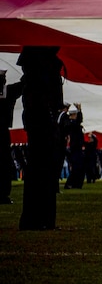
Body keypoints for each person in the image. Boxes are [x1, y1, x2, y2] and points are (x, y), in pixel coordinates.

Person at [17, 46, 64, 230]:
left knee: (42, 171)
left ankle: (40, 219)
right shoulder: (39, 78)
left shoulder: (34, 77)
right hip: (41, 124)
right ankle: (39, 219)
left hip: (41, 124)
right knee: (41, 170)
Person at [1, 70, 25, 204]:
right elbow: (23, 84)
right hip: (2, 131)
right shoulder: (9, 92)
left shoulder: (9, 91)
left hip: (3, 131)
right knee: (4, 163)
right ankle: (3, 194)